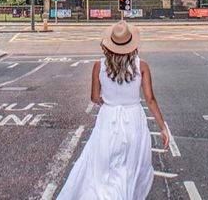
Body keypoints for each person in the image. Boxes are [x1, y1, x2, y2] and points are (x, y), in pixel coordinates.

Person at [57, 21, 169, 199]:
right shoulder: (142, 66)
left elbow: (94, 97)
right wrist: (163, 127)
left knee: (104, 171)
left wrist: (110, 101)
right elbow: (150, 99)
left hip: (108, 118)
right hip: (133, 119)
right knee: (130, 170)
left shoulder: (99, 65)